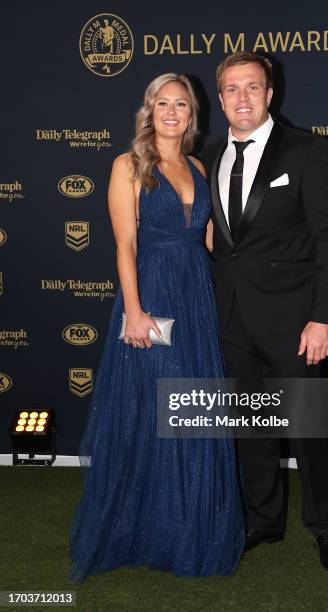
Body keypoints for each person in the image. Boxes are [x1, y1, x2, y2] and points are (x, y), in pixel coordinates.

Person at [69, 73, 245, 582]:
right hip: (152, 295)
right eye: (162, 103)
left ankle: (188, 530)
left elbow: (211, 240)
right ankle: (142, 529)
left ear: (193, 114)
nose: (172, 111)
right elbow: (124, 244)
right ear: (149, 111)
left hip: (196, 299)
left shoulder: (197, 165)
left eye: (181, 104)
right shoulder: (129, 165)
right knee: (154, 408)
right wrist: (134, 311)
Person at [202, 52, 328, 572]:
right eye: (232, 89)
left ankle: (326, 527)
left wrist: (323, 318)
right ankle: (263, 521)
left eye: (252, 87)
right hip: (233, 322)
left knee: (309, 430)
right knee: (251, 429)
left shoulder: (308, 150)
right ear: (220, 99)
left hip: (295, 321)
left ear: (270, 94)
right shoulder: (211, 155)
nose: (242, 97)